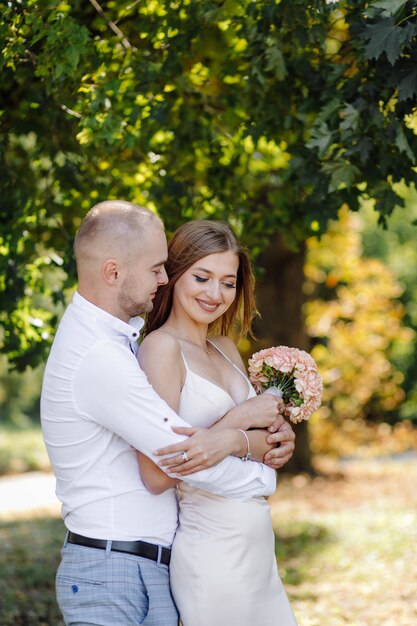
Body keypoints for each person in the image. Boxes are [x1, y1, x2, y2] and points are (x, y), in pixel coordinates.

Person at [40, 200, 295, 626]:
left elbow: (233, 440)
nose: (163, 277)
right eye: (160, 269)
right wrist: (242, 441)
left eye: (228, 282)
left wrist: (262, 439)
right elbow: (167, 464)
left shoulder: (121, 340)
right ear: (113, 272)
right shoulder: (107, 353)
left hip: (159, 561)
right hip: (119, 564)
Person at [138, 219, 298, 626]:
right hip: (213, 551)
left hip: (258, 547)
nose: (215, 294)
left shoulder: (226, 348)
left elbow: (260, 446)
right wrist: (238, 424)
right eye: (202, 277)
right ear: (174, 275)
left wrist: (275, 440)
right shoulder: (160, 349)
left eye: (228, 282)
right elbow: (158, 472)